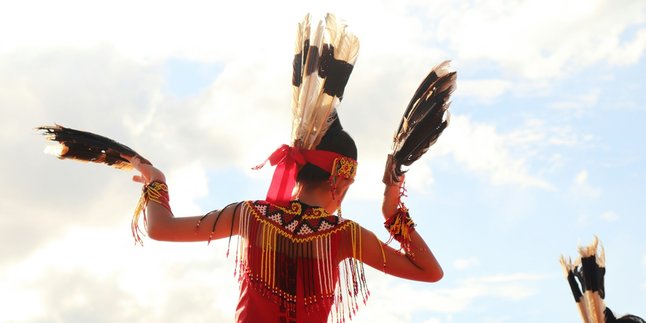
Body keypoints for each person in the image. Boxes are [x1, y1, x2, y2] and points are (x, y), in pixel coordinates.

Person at [125, 116, 443, 323]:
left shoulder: (250, 215)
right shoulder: (345, 235)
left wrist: (157, 181)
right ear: (340, 181)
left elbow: (160, 228)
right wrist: (392, 215)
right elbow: (430, 272)